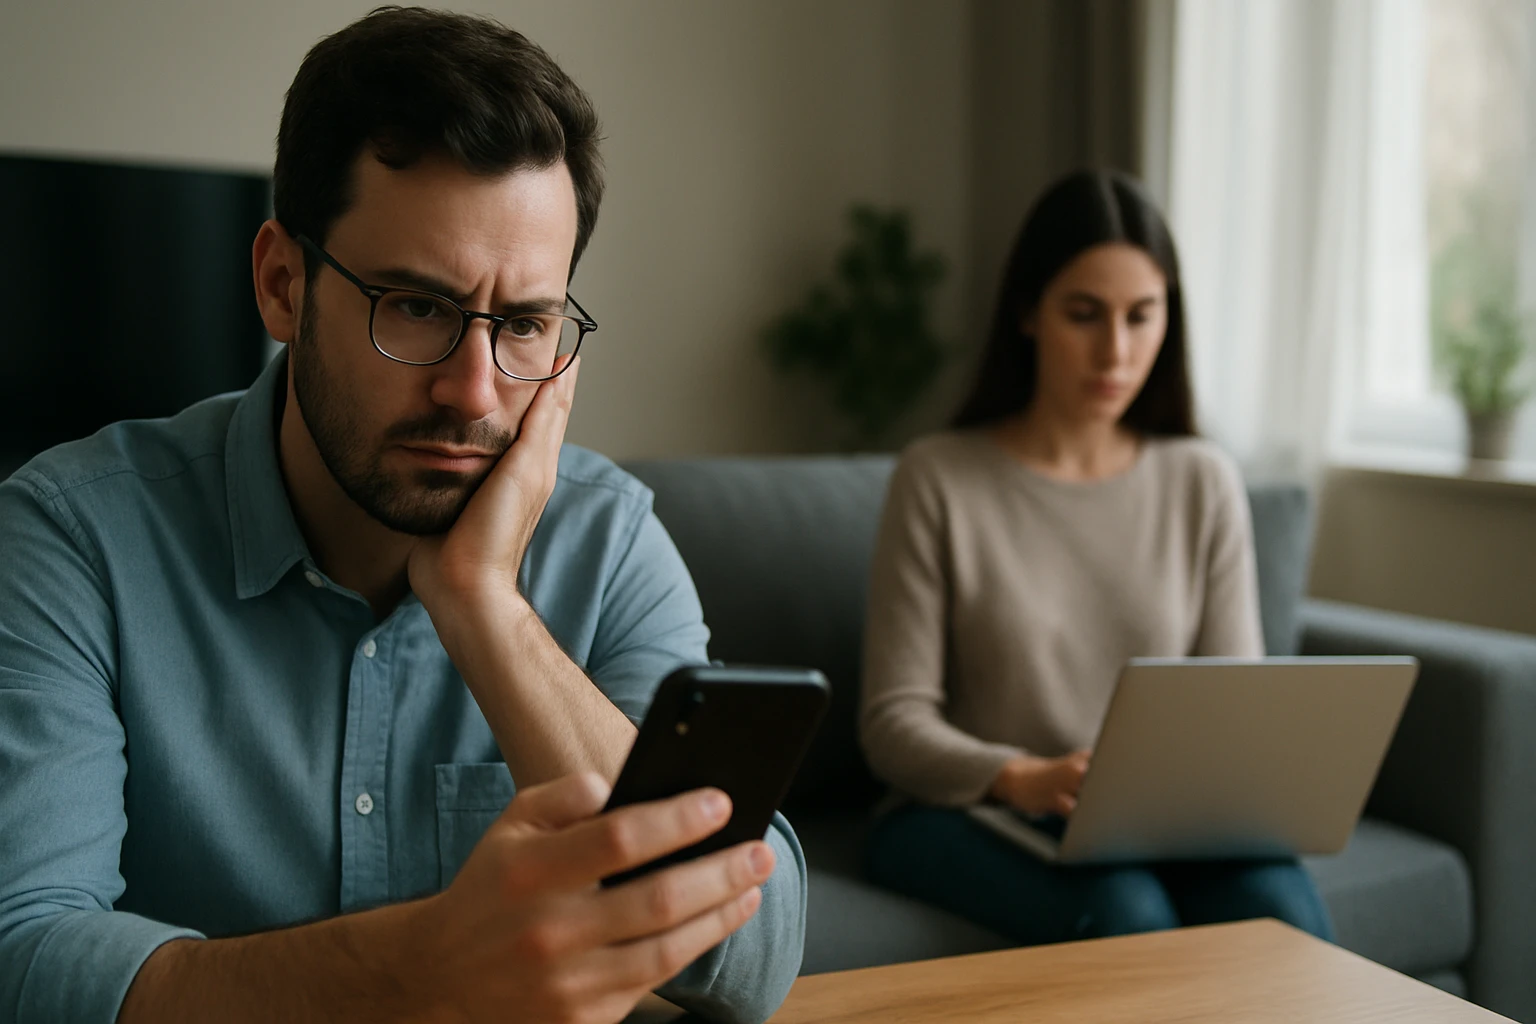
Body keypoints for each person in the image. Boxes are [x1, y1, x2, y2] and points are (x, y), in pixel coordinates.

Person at [0, 9, 804, 1024]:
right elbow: (23, 955)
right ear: (282, 283)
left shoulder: (608, 541)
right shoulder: (70, 538)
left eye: (523, 325)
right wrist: (410, 969)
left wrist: (485, 607)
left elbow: (754, 953)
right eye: (416, 307)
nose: (474, 393)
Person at [858, 170, 1333, 946]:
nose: (1116, 350)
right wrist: (1024, 777)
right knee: (1128, 913)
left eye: (1142, 317)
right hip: (969, 812)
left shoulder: (1201, 480)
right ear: (1028, 314)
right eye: (1085, 315)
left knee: (1280, 910)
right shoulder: (938, 477)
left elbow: (1231, 708)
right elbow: (892, 725)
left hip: (1163, 822)